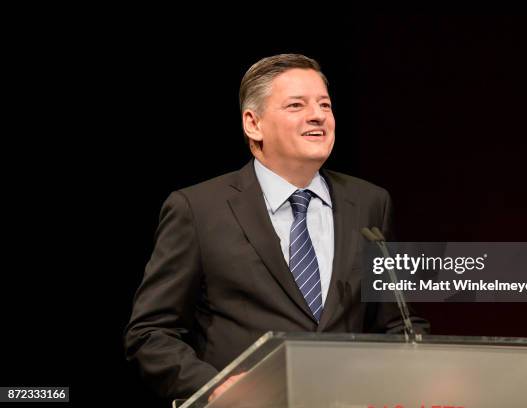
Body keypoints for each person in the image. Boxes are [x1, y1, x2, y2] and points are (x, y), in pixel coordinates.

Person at [124, 53, 427, 402]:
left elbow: (397, 322)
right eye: (296, 105)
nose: (318, 115)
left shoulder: (371, 203)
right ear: (253, 124)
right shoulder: (197, 209)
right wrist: (215, 388)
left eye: (325, 105)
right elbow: (151, 332)